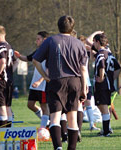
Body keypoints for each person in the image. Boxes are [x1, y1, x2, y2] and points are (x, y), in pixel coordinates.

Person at [33, 15, 88, 150]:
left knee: (55, 117)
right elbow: (83, 69)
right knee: (72, 118)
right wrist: (84, 88)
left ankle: (58, 147)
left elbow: (35, 60)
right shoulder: (79, 44)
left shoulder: (50, 41)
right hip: (75, 81)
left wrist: (45, 76)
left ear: (58, 26)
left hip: (56, 81)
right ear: (72, 28)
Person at [14, 31, 50, 128]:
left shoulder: (49, 52)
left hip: (42, 84)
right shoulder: (38, 51)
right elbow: (27, 58)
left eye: (38, 39)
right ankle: (47, 122)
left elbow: (48, 71)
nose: (36, 41)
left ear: (45, 40)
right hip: (35, 84)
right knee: (30, 105)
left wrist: (39, 81)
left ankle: (43, 128)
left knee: (44, 107)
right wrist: (18, 56)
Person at [93, 33, 121, 137]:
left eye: (94, 42)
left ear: (97, 41)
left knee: (103, 108)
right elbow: (118, 68)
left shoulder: (101, 54)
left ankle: (106, 131)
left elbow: (101, 66)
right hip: (107, 84)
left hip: (102, 85)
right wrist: (111, 78)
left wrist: (101, 78)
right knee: (102, 107)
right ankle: (107, 128)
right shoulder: (110, 54)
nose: (93, 44)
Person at [0, 25, 16, 136]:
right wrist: (10, 74)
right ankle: (8, 134)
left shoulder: (0, 46)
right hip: (9, 82)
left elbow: (2, 62)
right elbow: (15, 62)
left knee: (1, 109)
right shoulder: (9, 47)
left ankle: (3, 135)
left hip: (0, 82)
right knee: (7, 107)